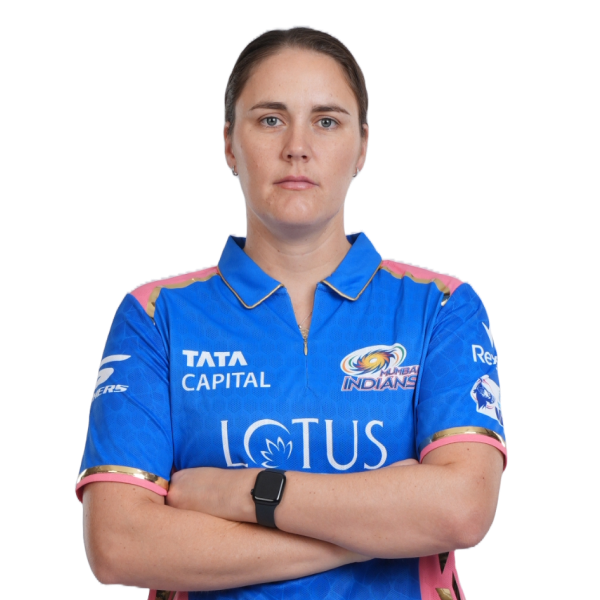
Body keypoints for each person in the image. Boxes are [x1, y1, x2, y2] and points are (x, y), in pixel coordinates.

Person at [76, 25, 506, 600]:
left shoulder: (442, 306)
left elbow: (461, 510)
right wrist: (384, 528)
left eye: (326, 121)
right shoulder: (155, 316)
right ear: (229, 144)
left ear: (363, 146)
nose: (297, 146)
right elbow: (120, 544)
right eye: (270, 119)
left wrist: (244, 494)